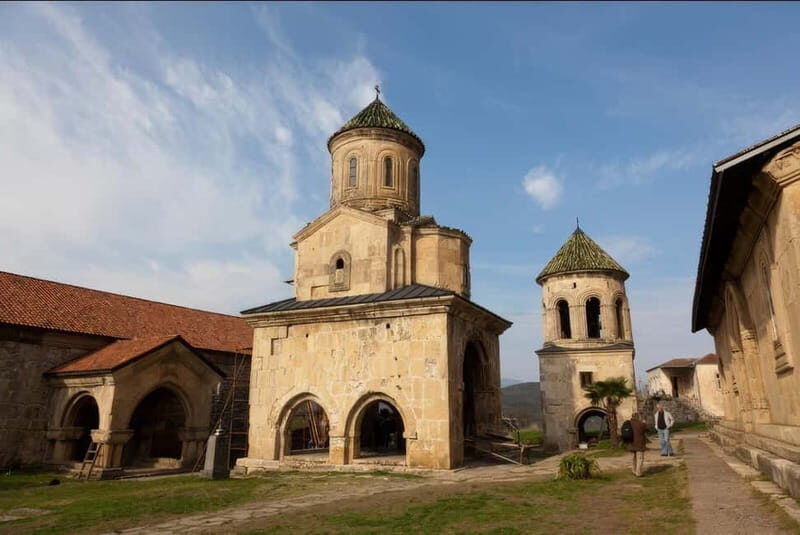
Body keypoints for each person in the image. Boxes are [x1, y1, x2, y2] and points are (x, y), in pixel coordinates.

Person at [628, 412, 648, 477]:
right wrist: (644, 423)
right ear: (637, 417)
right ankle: (638, 472)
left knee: (633, 458)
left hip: (631, 443)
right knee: (640, 458)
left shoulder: (628, 423)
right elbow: (645, 429)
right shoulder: (640, 424)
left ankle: (633, 470)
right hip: (639, 443)